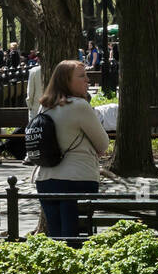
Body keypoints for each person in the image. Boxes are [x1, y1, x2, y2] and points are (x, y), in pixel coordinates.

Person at [32, 60, 110, 246]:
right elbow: (103, 143)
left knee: (57, 241)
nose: (87, 80)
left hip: (46, 180)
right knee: (73, 240)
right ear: (66, 81)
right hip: (77, 180)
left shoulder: (45, 106)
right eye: (82, 76)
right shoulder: (79, 106)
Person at [26, 52, 44, 119]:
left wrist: (30, 106)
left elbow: (30, 91)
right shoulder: (55, 70)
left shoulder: (34, 71)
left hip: (36, 107)